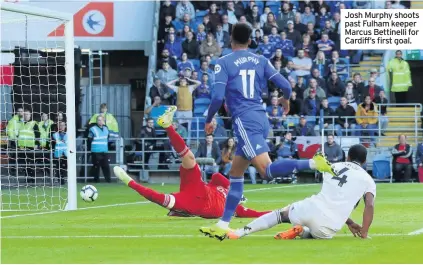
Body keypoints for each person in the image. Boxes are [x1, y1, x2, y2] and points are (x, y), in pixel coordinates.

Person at [200, 23, 334, 240]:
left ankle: (312, 163)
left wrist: (209, 120)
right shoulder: (261, 61)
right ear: (250, 41)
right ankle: (223, 224)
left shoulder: (223, 62)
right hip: (261, 118)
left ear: (230, 39)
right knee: (235, 174)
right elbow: (286, 86)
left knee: (267, 171)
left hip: (244, 120)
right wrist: (285, 99)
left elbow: (216, 97)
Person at [114, 106, 270, 219]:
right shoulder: (226, 190)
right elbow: (216, 176)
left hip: (195, 205)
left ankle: (130, 182)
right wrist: (235, 191)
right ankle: (167, 125)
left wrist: (281, 214)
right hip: (197, 187)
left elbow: (257, 214)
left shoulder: (236, 209)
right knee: (189, 158)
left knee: (159, 198)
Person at [227, 144, 376, 240]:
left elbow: (333, 196)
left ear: (348, 156)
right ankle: (303, 231)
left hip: (310, 208)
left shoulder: (334, 166)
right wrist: (363, 231)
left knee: (280, 215)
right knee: (316, 233)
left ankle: (241, 232)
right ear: (364, 161)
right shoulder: (368, 180)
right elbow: (369, 205)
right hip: (329, 226)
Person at [88, 116, 112, 183]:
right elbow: (89, 139)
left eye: (101, 120)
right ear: (96, 121)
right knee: (96, 167)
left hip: (104, 150)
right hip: (96, 151)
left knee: (106, 166)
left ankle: (108, 182)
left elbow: (107, 138)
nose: (100, 121)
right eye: (98, 120)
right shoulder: (93, 129)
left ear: (103, 121)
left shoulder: (106, 128)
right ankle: (96, 181)